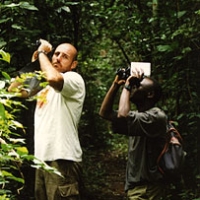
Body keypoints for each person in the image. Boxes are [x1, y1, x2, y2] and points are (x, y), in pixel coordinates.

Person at [8, 39, 86, 200]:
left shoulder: (74, 79)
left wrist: (43, 53)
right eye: (56, 54)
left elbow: (54, 79)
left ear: (73, 64)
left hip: (63, 159)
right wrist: (34, 66)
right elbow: (14, 91)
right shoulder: (45, 84)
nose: (57, 58)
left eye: (64, 56)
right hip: (42, 160)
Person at [99, 69, 168, 200]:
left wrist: (127, 86)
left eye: (138, 85)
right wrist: (116, 85)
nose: (134, 87)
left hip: (149, 189)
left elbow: (123, 115)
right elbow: (105, 113)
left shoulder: (156, 116)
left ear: (150, 94)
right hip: (137, 188)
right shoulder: (137, 117)